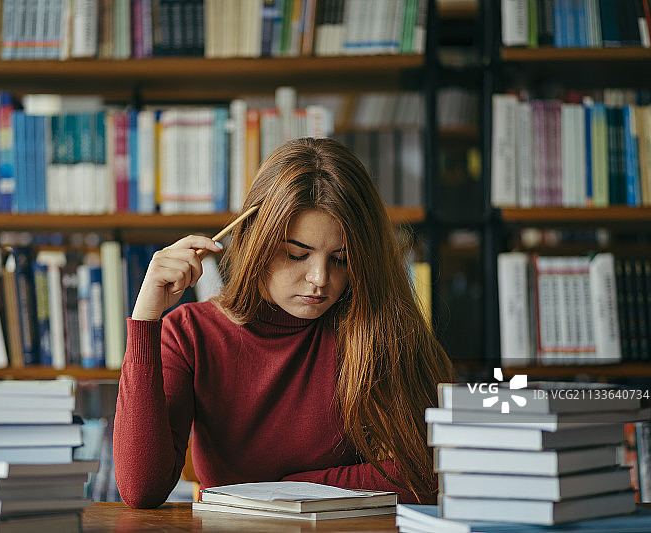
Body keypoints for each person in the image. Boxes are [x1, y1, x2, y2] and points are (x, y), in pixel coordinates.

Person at [113, 137, 455, 508]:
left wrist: (283, 490)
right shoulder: (190, 334)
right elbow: (141, 490)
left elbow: (427, 475)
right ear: (255, 241)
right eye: (297, 255)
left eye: (342, 259)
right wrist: (146, 319)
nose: (320, 278)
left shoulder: (379, 326)